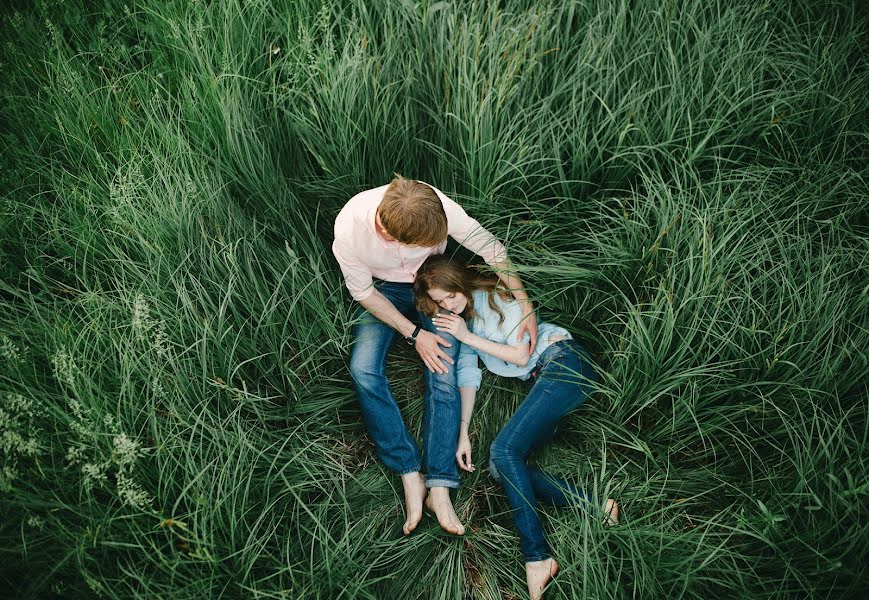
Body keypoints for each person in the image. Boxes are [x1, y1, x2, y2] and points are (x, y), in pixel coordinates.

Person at [332, 176, 539, 536]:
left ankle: (439, 485)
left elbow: (491, 248)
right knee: (363, 369)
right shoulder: (350, 232)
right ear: (387, 234)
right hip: (383, 293)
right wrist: (414, 334)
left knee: (443, 372)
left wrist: (526, 305)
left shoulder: (429, 203)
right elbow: (363, 293)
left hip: (431, 287)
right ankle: (409, 472)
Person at [413, 254, 618, 600]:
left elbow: (522, 356)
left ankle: (537, 557)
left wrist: (467, 335)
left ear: (458, 280)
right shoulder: (463, 320)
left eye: (449, 295)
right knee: (500, 467)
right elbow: (468, 375)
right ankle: (596, 505)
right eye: (439, 302)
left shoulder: (494, 299)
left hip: (563, 362)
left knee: (504, 451)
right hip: (547, 379)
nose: (448, 305)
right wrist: (463, 432)